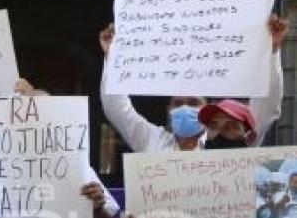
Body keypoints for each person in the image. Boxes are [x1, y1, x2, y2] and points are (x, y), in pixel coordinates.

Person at [98, 15, 286, 152]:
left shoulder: (234, 142)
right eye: (177, 104)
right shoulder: (151, 140)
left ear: (208, 108)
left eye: (193, 102)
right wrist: (111, 58)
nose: (185, 108)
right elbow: (118, 111)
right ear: (168, 110)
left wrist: (272, 51)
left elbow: (267, 106)